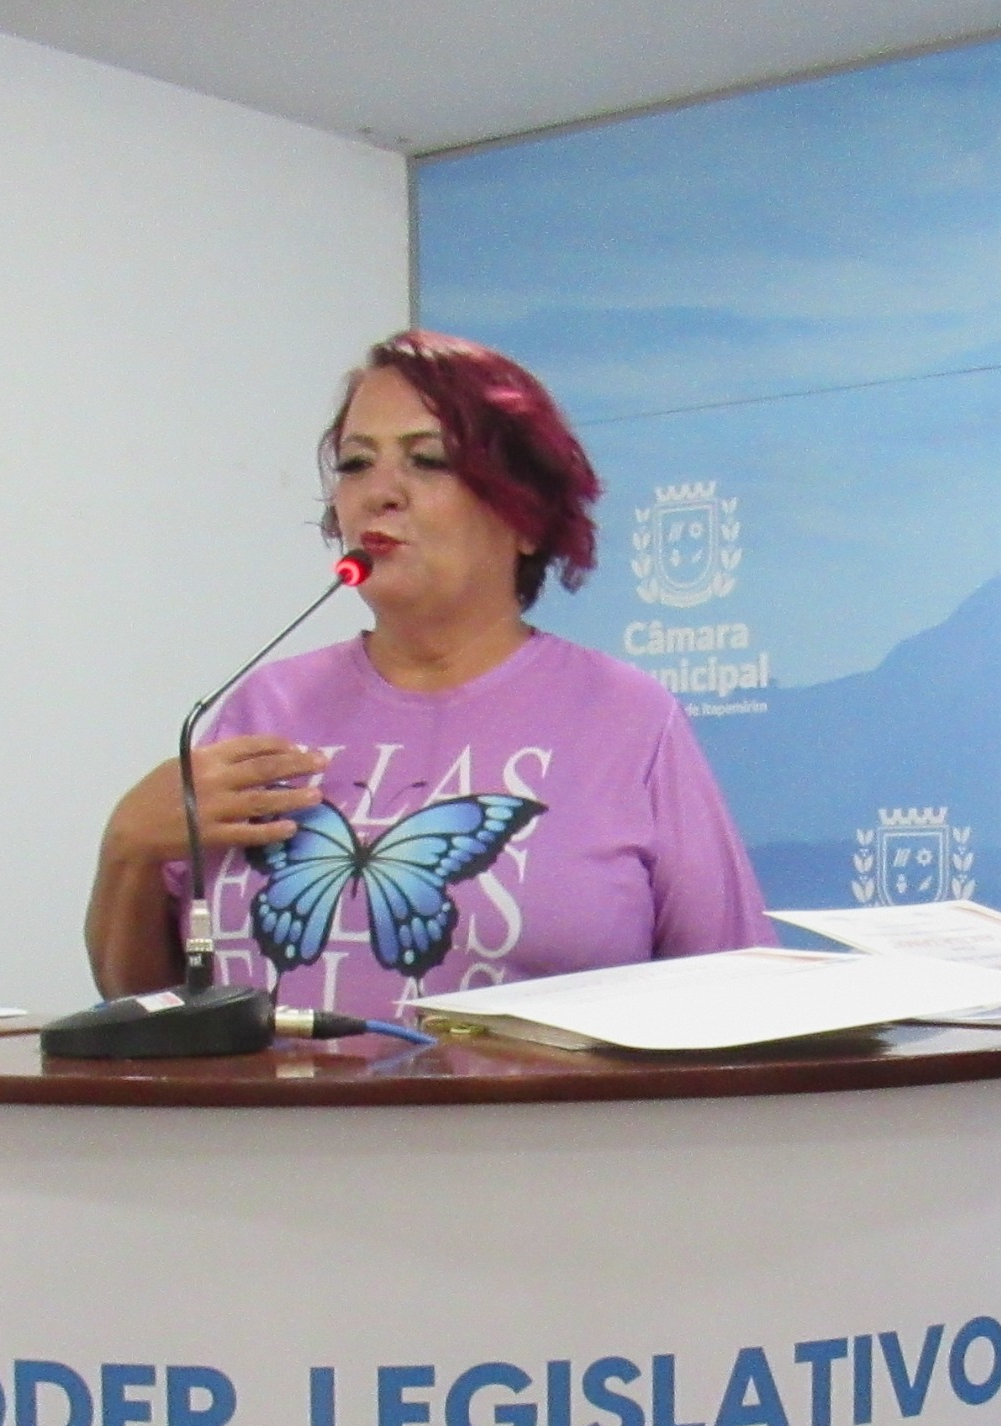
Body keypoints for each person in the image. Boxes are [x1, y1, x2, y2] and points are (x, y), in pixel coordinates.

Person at [82, 331, 767, 1022]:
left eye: (428, 460)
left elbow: (738, 1000)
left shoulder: (626, 718)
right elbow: (148, 1006)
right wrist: (127, 850)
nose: (379, 494)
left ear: (526, 516)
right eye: (356, 464)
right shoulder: (264, 706)